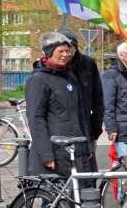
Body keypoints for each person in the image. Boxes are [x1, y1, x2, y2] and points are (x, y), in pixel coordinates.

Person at [26, 32, 92, 176]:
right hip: (56, 153)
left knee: (83, 194)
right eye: (60, 51)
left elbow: (81, 115)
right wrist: (46, 155)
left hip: (77, 150)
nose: (65, 55)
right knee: (58, 197)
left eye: (67, 51)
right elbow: (36, 119)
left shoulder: (70, 76)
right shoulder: (39, 79)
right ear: (49, 53)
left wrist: (88, 146)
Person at [57, 28, 103, 169]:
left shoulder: (88, 64)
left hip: (86, 128)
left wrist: (95, 129)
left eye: (71, 48)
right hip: (61, 129)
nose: (68, 53)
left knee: (88, 169)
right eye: (63, 49)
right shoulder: (53, 67)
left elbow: (98, 98)